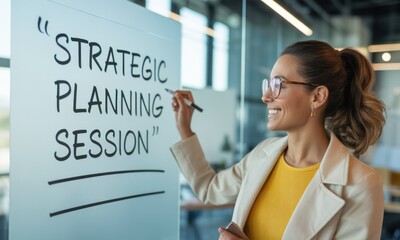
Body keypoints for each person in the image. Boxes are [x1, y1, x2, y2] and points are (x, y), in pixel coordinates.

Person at [169, 40, 386, 240]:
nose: (266, 97)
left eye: (278, 85)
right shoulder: (263, 154)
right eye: (268, 85)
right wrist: (184, 129)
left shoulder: (361, 184)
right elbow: (210, 189)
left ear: (317, 96)